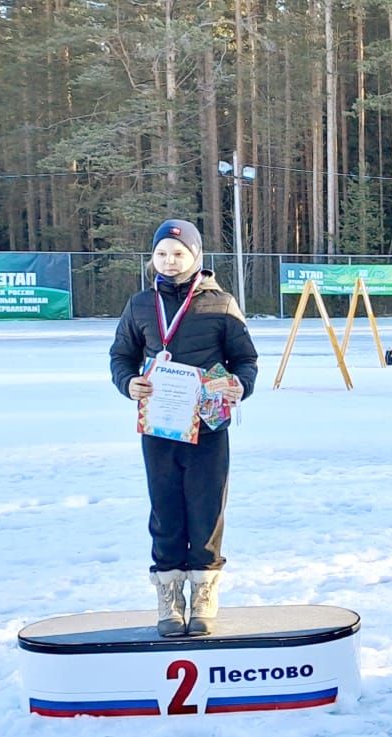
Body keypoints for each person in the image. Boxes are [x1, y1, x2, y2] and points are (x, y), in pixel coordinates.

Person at [110, 219, 258, 637]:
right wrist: (128, 383)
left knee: (206, 511)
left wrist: (239, 385)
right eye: (161, 254)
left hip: (208, 429)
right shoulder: (140, 305)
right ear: (152, 258)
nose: (170, 261)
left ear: (196, 256)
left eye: (178, 254)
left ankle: (205, 594)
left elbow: (246, 360)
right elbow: (121, 356)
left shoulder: (221, 304)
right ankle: (169, 596)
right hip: (159, 427)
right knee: (165, 512)